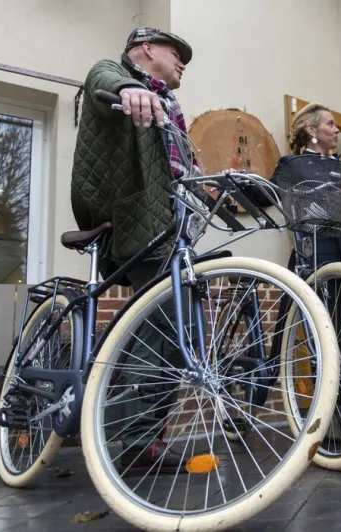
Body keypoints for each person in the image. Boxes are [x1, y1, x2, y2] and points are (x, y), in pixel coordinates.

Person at [70, 27, 196, 473]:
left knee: (178, 329)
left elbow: (178, 170)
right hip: (138, 220)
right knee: (166, 324)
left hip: (169, 227)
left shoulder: (169, 105)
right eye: (176, 53)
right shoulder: (122, 79)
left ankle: (145, 435)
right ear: (145, 49)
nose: (183, 63)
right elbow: (100, 76)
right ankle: (139, 440)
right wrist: (128, 87)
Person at [243, 102, 341, 442]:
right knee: (294, 338)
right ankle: (251, 408)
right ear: (312, 130)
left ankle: (337, 413)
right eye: (330, 124)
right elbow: (268, 193)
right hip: (310, 252)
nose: (336, 129)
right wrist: (244, 182)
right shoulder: (293, 164)